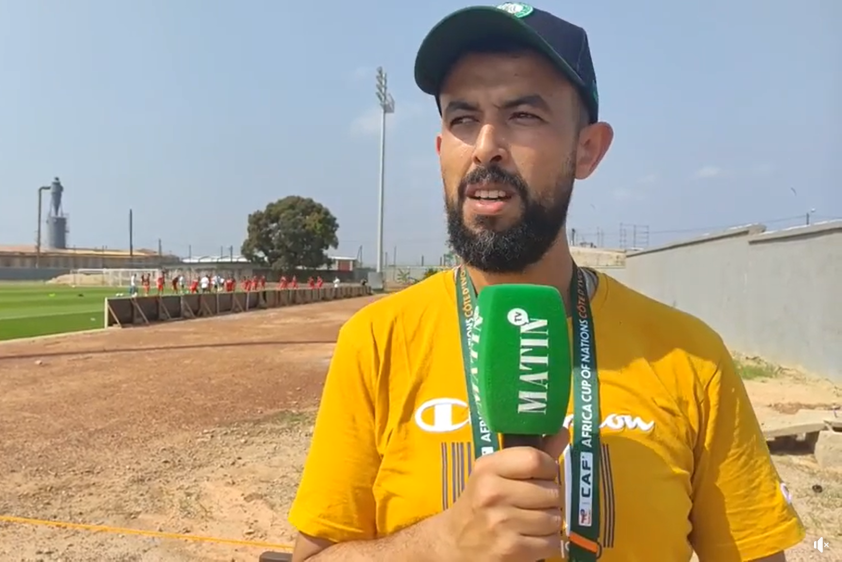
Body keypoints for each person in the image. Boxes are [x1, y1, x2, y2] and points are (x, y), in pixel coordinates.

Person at [287, 4, 802, 562]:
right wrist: (442, 543)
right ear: (441, 151)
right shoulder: (376, 342)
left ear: (588, 150)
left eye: (524, 115)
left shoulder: (690, 356)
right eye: (462, 118)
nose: (485, 145)